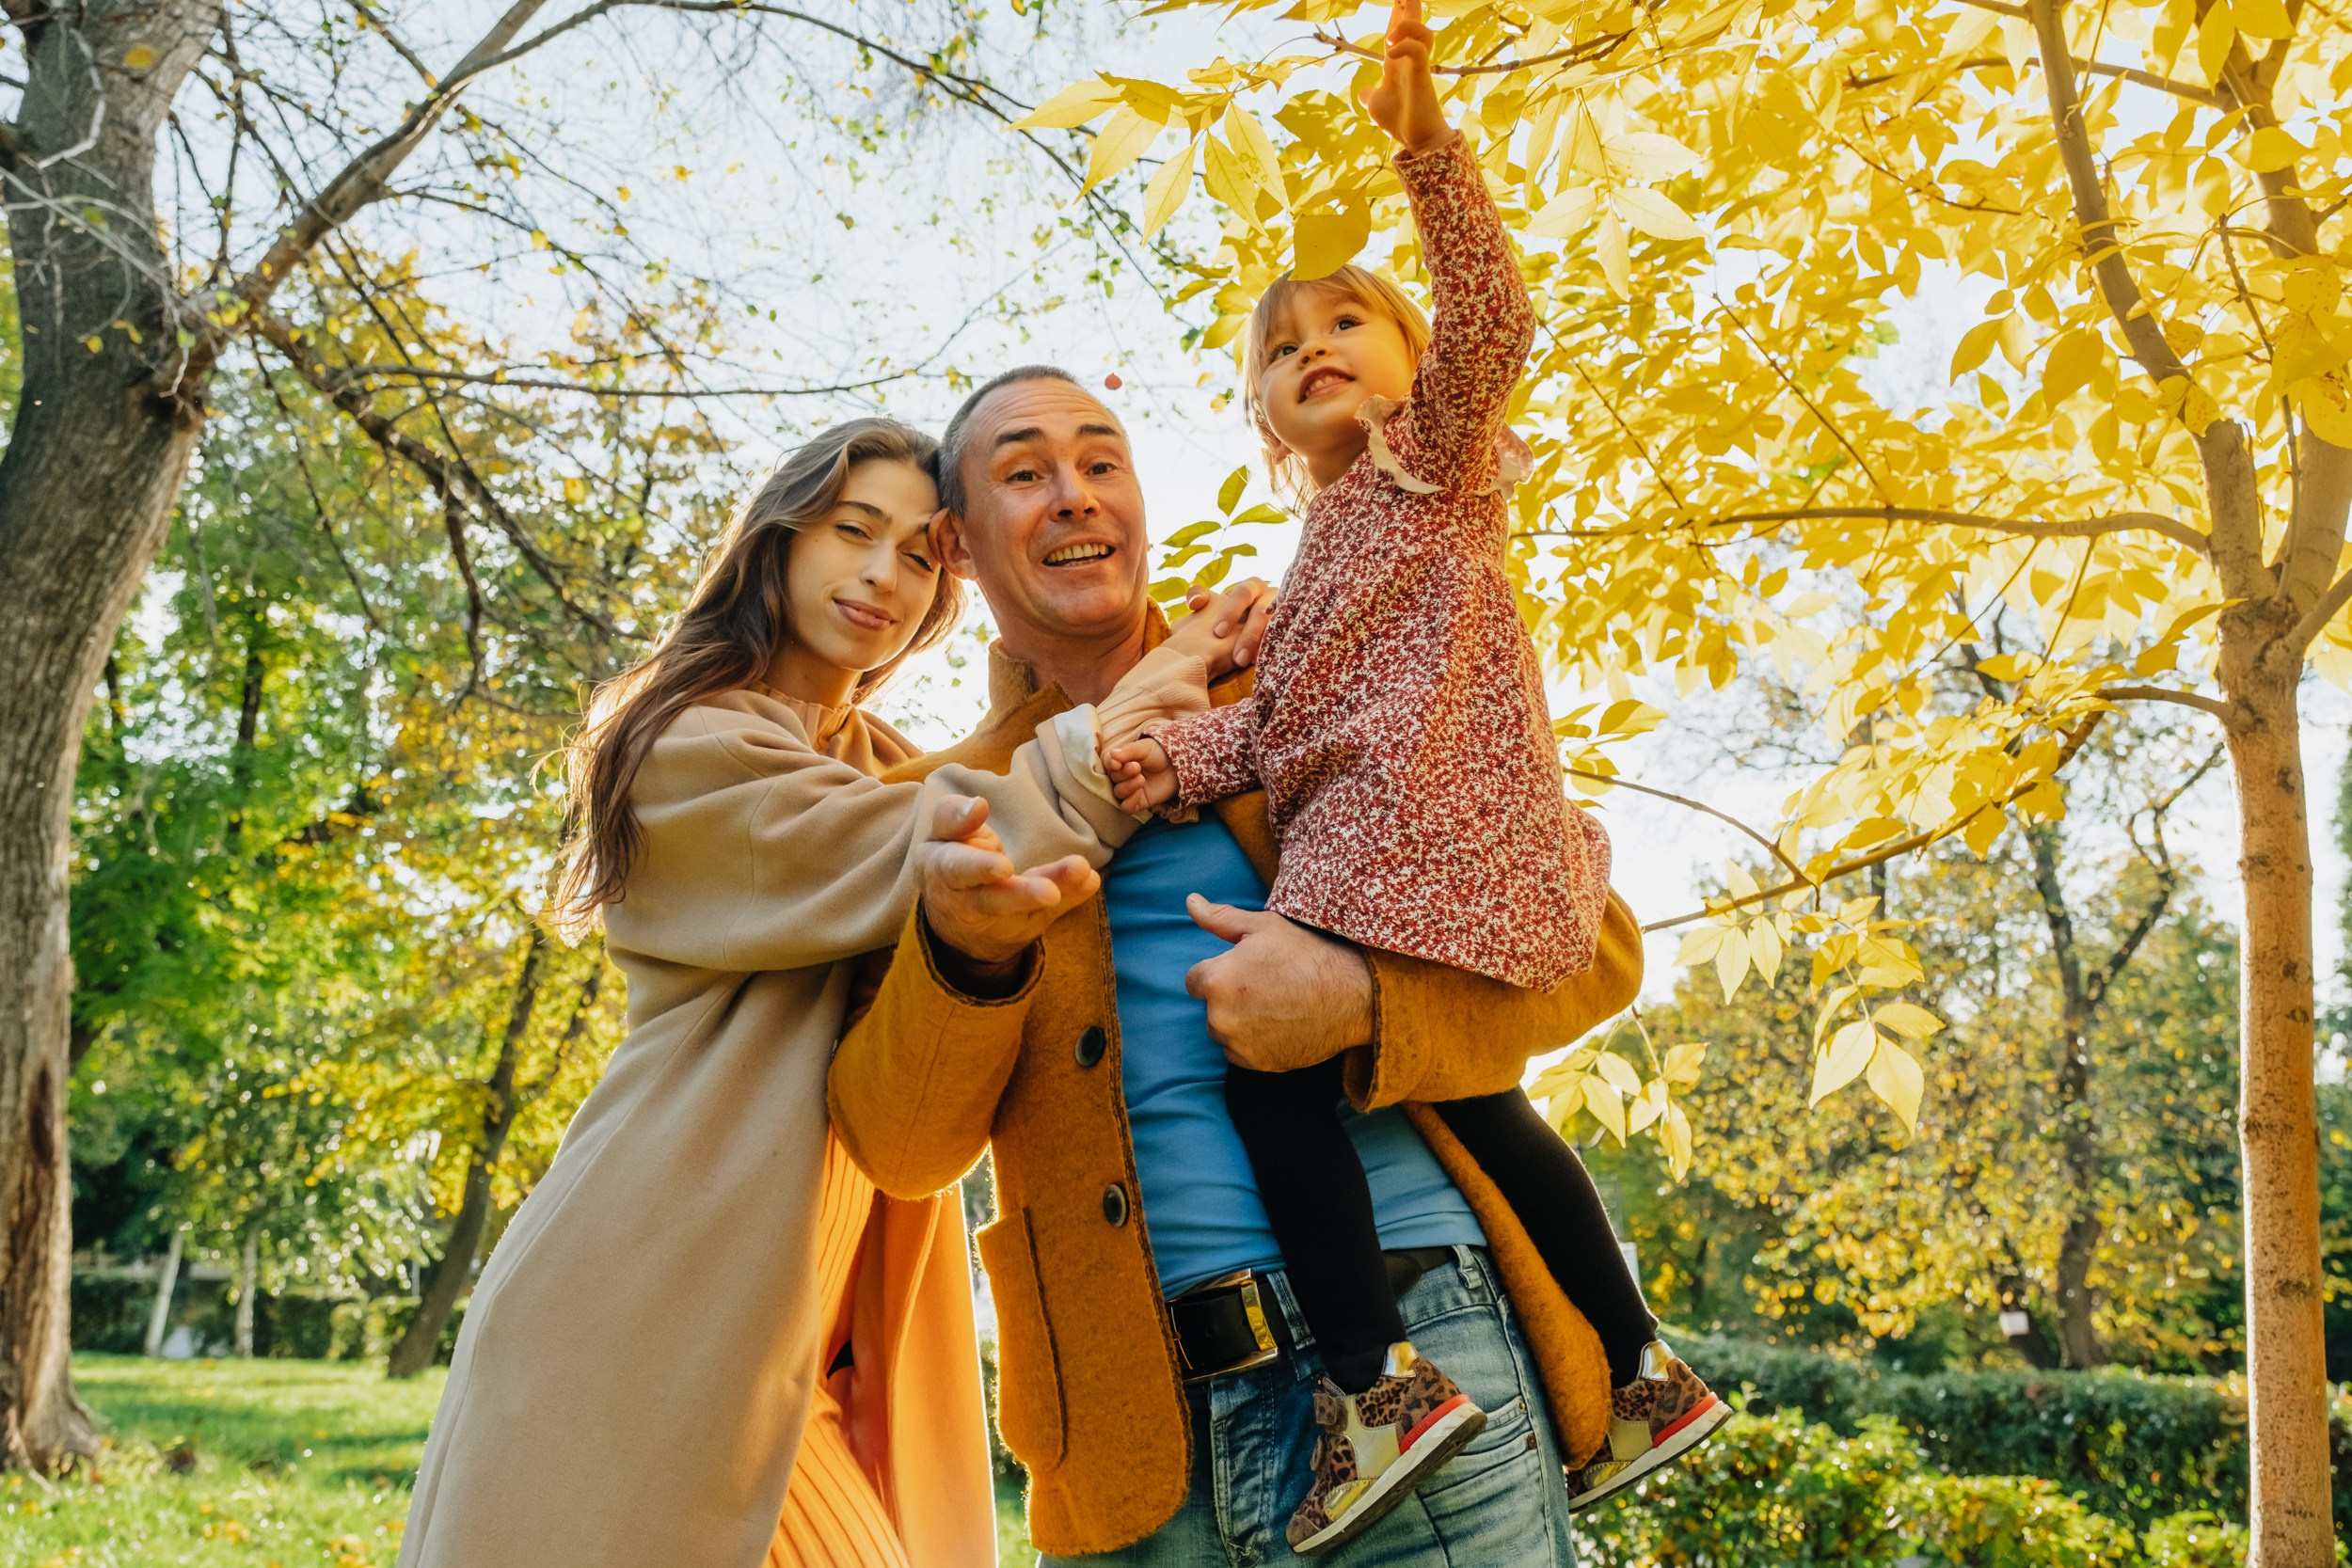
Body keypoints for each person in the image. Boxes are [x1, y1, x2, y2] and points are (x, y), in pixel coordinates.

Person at [393, 418, 1258, 1568]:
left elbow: (978, 789)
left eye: (918, 552)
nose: (883, 576)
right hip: (650, 1309)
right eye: (852, 531)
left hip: (800, 1345)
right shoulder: (687, 746)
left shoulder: (877, 757)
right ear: (778, 540)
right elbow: (953, 832)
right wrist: (1130, 715)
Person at [827, 362, 1644, 1567]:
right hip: (1125, 1441)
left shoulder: (1306, 670)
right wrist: (966, 953)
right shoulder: (932, 810)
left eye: (1101, 461)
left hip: (1425, 1344)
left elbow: (1594, 942)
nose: (1074, 494)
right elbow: (898, 1143)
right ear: (953, 543)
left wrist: (1360, 1001)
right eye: (1025, 472)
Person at [1098, 0, 1724, 1544]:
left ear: (1416, 364)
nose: (1315, 348)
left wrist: (1427, 147)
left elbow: (1496, 317)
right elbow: (1280, 730)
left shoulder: (1423, 471)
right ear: (1259, 412)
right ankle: (1643, 1366)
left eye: (1347, 323)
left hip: (1415, 838)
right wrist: (1162, 758)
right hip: (1409, 842)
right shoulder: (1320, 552)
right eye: (1283, 347)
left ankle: (1376, 1384)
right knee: (1481, 1094)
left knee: (1269, 1079)